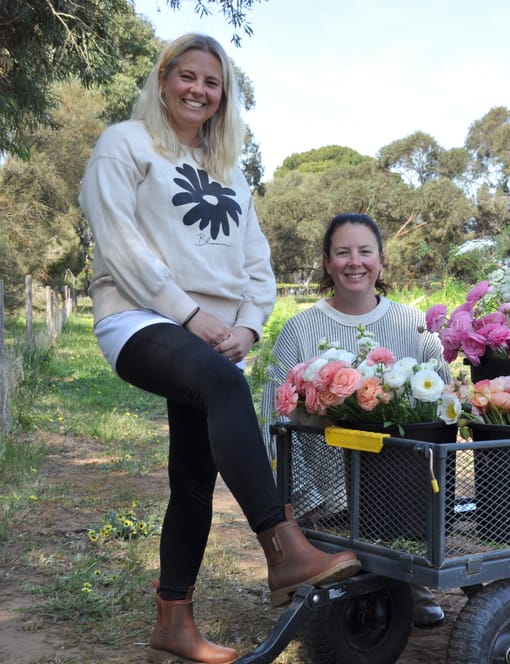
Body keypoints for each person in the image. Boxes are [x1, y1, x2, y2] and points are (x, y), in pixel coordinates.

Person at [78, 34, 360, 664]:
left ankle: (173, 623)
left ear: (223, 96)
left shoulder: (229, 167)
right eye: (188, 76)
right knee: (225, 386)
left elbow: (257, 264)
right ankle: (283, 550)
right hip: (139, 317)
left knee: (192, 477)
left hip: (211, 337)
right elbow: (119, 242)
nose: (198, 90)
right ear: (163, 78)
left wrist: (249, 328)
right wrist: (192, 315)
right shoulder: (124, 144)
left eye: (212, 83)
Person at [261, 212, 447, 629]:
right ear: (327, 262)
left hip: (400, 493)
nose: (354, 262)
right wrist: (307, 500)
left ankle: (410, 581)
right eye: (342, 252)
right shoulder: (299, 330)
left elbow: (443, 393)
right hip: (330, 502)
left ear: (381, 261)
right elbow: (272, 418)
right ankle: (339, 569)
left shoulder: (412, 325)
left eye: (365, 252)